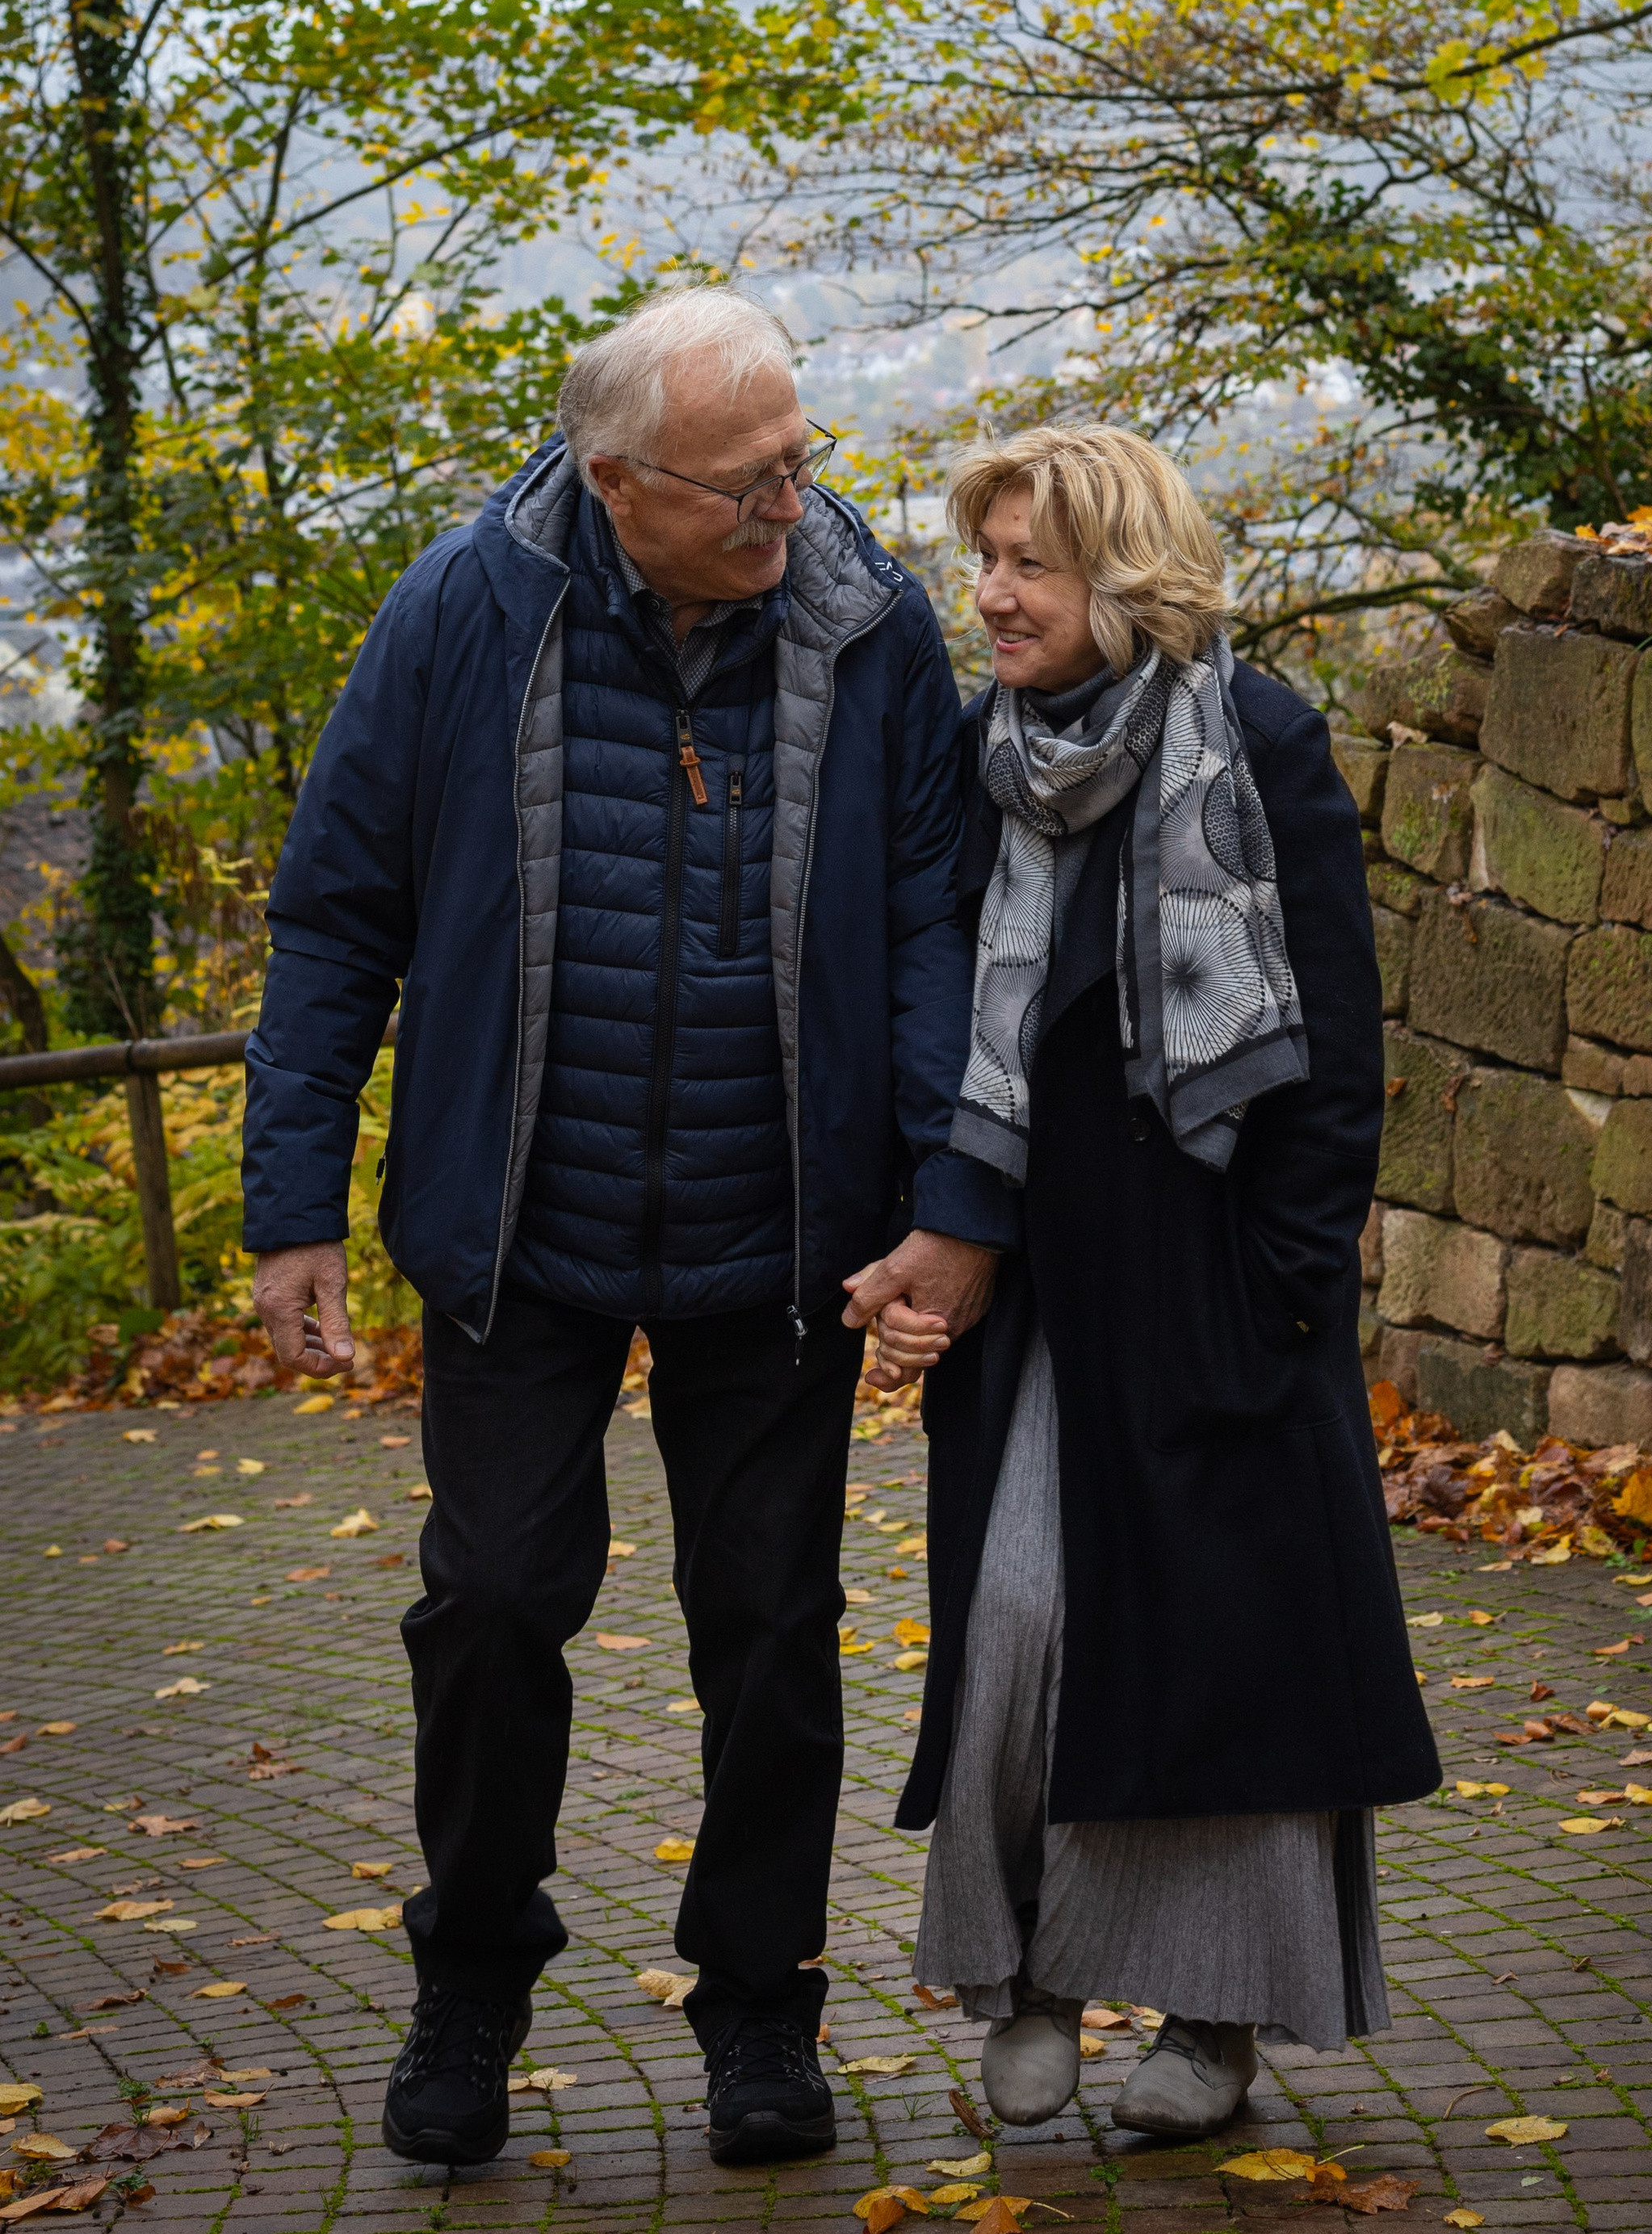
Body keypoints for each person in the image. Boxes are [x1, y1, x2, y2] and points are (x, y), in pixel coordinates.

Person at [240, 287, 1009, 2173]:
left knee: (768, 1628)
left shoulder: (867, 622)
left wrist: (938, 1200)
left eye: (798, 466)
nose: (790, 510)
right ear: (615, 482)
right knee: (491, 1604)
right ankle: (471, 1983)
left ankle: (760, 2015)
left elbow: (931, 920)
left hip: (783, 1231)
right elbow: (338, 910)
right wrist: (291, 1205)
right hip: (520, 1226)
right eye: (747, 487)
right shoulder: (463, 608)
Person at [867, 425, 1440, 2140]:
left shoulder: (1252, 740)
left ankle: (1214, 2024)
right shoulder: (986, 756)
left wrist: (1281, 1289)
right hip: (1043, 1294)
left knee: (1226, 1658)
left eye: (1025, 562)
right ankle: (1031, 1971)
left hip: (1215, 1283)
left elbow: (1333, 1050)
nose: (990, 594)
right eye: (984, 561)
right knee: (1026, 1622)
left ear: (1120, 573)